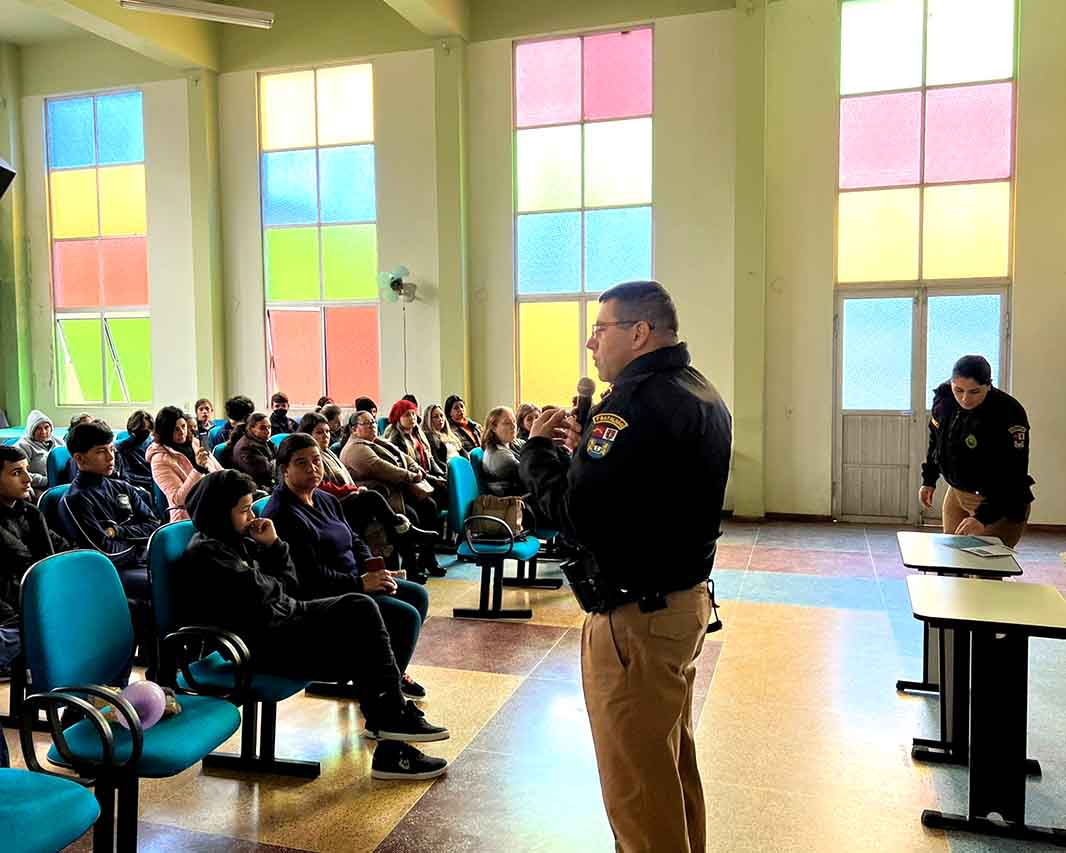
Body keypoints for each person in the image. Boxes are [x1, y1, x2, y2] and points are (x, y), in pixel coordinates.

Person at [520, 281, 732, 853]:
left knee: (636, 788)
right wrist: (584, 457)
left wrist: (539, 455)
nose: (591, 343)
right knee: (668, 767)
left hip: (634, 616)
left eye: (601, 328)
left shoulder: (632, 404)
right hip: (680, 601)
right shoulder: (699, 390)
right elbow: (638, 492)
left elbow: (576, 517)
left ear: (639, 332)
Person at [180, 470, 449, 779]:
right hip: (260, 643)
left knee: (382, 618)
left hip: (282, 622)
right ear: (218, 512)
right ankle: (391, 718)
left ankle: (390, 728)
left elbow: (285, 586)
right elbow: (269, 594)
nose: (252, 515)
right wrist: (272, 571)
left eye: (252, 506)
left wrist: (273, 545)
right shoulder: (208, 553)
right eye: (244, 509)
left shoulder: (236, 540)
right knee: (360, 610)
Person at [262, 434, 430, 698]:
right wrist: (361, 583)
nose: (312, 468)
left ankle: (389, 673)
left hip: (353, 580)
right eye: (302, 463)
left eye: (316, 461)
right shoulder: (283, 513)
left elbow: (353, 538)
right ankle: (383, 691)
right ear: (285, 470)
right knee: (404, 616)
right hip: (323, 594)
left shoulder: (325, 499)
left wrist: (373, 567)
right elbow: (309, 576)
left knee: (417, 595)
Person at [63, 420, 160, 669]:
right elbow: (104, 552)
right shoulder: (76, 499)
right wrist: (136, 545)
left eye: (111, 449)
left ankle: (170, 665)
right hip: (106, 574)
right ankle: (156, 670)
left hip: (135, 563)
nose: (110, 456)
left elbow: (153, 525)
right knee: (161, 586)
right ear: (80, 459)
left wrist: (119, 531)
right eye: (100, 451)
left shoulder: (121, 487)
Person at [298, 413, 438, 581]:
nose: (326, 436)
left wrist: (414, 469)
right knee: (376, 500)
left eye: (327, 432)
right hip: (334, 504)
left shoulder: (329, 452)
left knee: (418, 509)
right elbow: (322, 487)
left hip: (364, 494)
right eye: (320, 432)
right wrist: (352, 490)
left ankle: (411, 563)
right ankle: (404, 537)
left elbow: (403, 458)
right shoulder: (350, 450)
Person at [920, 354, 1035, 547]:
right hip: (957, 494)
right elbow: (936, 442)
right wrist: (929, 480)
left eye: (974, 392)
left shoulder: (1008, 412)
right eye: (958, 390)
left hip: (1000, 501)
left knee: (986, 570)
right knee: (951, 563)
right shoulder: (944, 400)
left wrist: (983, 518)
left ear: (988, 386)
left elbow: (1014, 474)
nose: (965, 398)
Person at [340, 411, 445, 578]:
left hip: (397, 491)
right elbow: (381, 468)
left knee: (429, 506)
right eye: (367, 423)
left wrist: (414, 468)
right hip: (382, 497)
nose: (373, 426)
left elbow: (403, 456)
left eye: (373, 422)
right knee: (411, 516)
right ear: (354, 429)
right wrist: (411, 476)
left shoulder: (377, 441)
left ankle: (427, 559)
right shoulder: (355, 449)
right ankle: (411, 568)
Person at [0, 446, 71, 676]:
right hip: (11, 613)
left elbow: (61, 548)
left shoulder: (30, 513)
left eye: (27, 470)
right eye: (16, 473)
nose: (28, 479)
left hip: (36, 601)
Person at [147, 405, 222, 521]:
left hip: (214, 503)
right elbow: (178, 500)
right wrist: (198, 469)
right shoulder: (159, 460)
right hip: (190, 515)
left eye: (183, 426)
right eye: (176, 429)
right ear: (166, 431)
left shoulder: (195, 442)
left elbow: (218, 469)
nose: (182, 432)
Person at [384, 400, 446, 482]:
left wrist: (442, 475)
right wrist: (435, 480)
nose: (412, 417)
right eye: (407, 415)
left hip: (429, 476)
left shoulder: (419, 434)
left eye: (413, 414)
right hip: (416, 481)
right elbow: (410, 469)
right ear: (398, 419)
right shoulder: (396, 440)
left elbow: (430, 459)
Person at [14, 409, 65, 500]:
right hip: (37, 487)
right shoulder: (23, 446)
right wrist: (48, 480)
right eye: (38, 428)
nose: (44, 432)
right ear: (31, 430)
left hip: (60, 484)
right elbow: (20, 473)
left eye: (46, 427)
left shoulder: (59, 442)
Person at [481, 406, 529, 497]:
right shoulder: (498, 455)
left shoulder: (514, 442)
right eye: (507, 423)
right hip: (513, 503)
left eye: (514, 421)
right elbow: (530, 475)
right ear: (494, 428)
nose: (514, 426)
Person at [233, 412, 276, 489]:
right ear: (251, 429)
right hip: (254, 488)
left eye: (269, 427)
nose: (268, 431)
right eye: (262, 428)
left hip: (268, 483)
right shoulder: (245, 448)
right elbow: (265, 472)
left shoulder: (265, 441)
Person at [116, 410, 155, 492]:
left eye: (148, 430)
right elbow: (123, 475)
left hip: (152, 485)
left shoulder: (153, 445)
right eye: (141, 430)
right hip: (132, 487)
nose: (144, 434)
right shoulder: (121, 447)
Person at [423, 403, 465, 469]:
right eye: (436, 417)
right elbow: (436, 461)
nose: (440, 419)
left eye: (441, 416)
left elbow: (463, 452)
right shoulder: (429, 437)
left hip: (461, 467)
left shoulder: (451, 434)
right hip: (449, 471)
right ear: (429, 420)